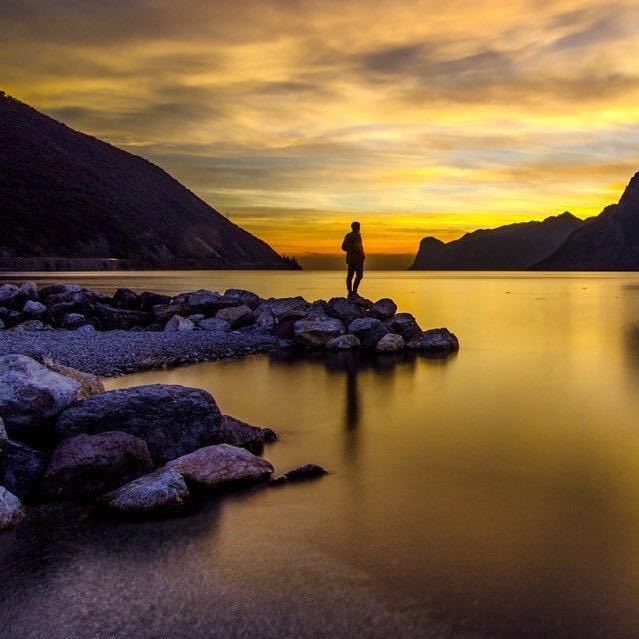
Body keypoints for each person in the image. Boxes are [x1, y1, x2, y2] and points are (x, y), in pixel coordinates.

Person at [341, 221, 365, 298]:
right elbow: (356, 246)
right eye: (358, 226)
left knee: (350, 275)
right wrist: (362, 254)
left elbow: (343, 247)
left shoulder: (348, 235)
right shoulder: (357, 235)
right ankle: (354, 292)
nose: (359, 228)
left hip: (350, 258)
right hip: (357, 258)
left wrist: (349, 251)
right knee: (359, 275)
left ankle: (350, 292)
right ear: (357, 227)